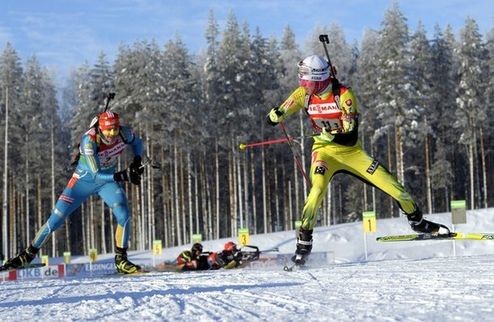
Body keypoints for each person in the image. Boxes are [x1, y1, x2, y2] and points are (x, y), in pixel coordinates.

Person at [267, 55, 450, 265]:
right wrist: (275, 116)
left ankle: (417, 221)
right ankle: (304, 243)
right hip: (324, 153)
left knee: (395, 188)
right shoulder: (302, 94)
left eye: (305, 80)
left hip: (352, 153)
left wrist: (332, 135)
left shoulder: (344, 95)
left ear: (318, 79)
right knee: (316, 191)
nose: (302, 84)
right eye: (301, 79)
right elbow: (278, 114)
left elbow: (351, 136)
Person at [3, 111, 145, 274]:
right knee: (56, 218)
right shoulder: (89, 141)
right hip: (82, 182)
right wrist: (123, 175)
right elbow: (95, 174)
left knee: (123, 213)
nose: (112, 134)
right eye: (108, 130)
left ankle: (121, 259)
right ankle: (26, 256)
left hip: (106, 183)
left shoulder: (124, 133)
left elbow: (138, 142)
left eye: (115, 129)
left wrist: (137, 159)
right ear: (100, 128)